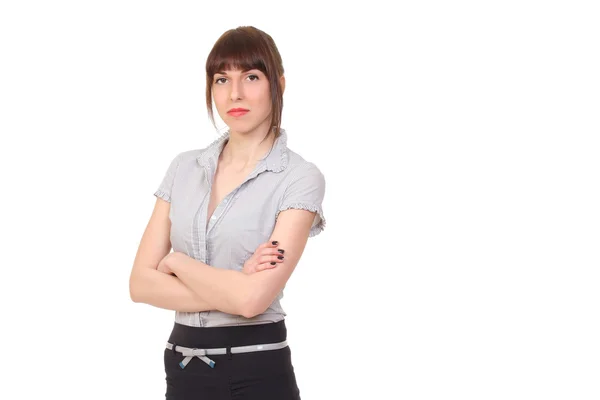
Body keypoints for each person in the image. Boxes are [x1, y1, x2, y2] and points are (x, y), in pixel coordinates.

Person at [129, 26, 326, 399]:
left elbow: (254, 302)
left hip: (257, 369)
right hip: (182, 367)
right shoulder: (183, 168)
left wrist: (177, 263)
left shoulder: (300, 178)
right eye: (222, 79)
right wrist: (237, 285)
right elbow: (139, 285)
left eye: (251, 76)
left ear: (278, 84)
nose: (235, 93)